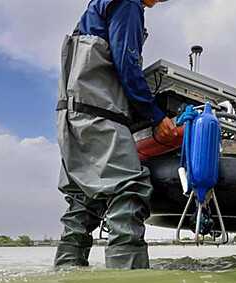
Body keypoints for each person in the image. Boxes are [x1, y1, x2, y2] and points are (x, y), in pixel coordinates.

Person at [54, 0, 177, 269]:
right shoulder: (129, 4)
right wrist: (155, 115)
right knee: (128, 188)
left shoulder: (96, 10)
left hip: (72, 115)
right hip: (100, 112)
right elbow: (127, 62)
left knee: (82, 200)